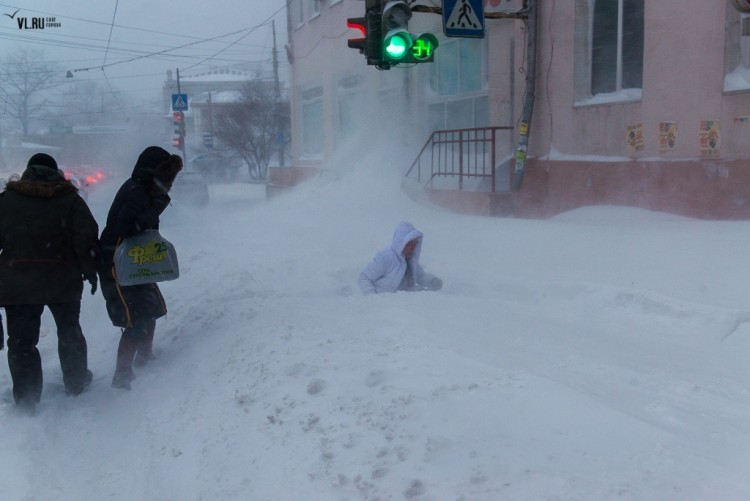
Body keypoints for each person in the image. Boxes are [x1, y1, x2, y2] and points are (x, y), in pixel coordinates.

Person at [0, 153, 99, 413]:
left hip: (18, 281)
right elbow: (86, 238)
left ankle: (27, 397)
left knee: (21, 341)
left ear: (26, 173)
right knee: (69, 331)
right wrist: (90, 270)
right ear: (57, 173)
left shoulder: (7, 201)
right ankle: (76, 382)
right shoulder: (70, 201)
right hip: (62, 279)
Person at [98, 146, 182, 390]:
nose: (169, 181)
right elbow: (125, 227)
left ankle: (146, 358)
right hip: (116, 261)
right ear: (152, 171)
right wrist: (155, 206)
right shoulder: (136, 191)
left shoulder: (146, 189)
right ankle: (122, 374)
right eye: (166, 174)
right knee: (135, 318)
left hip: (137, 261)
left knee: (152, 308)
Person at [358, 221, 443, 294]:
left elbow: (420, 276)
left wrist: (432, 281)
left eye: (414, 244)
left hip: (404, 305)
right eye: (409, 244)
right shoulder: (386, 258)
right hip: (386, 305)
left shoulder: (410, 262)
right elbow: (364, 278)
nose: (413, 248)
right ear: (401, 243)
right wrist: (373, 299)